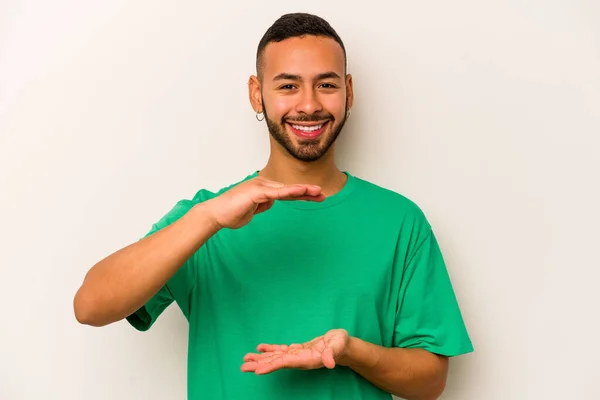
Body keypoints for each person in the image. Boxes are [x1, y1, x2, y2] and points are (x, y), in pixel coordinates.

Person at [74, 12, 473, 400]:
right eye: (287, 86)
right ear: (256, 93)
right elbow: (90, 306)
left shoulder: (400, 222)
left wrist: (352, 352)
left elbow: (430, 383)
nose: (309, 105)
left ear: (349, 91)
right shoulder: (207, 219)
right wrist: (209, 217)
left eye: (327, 85)